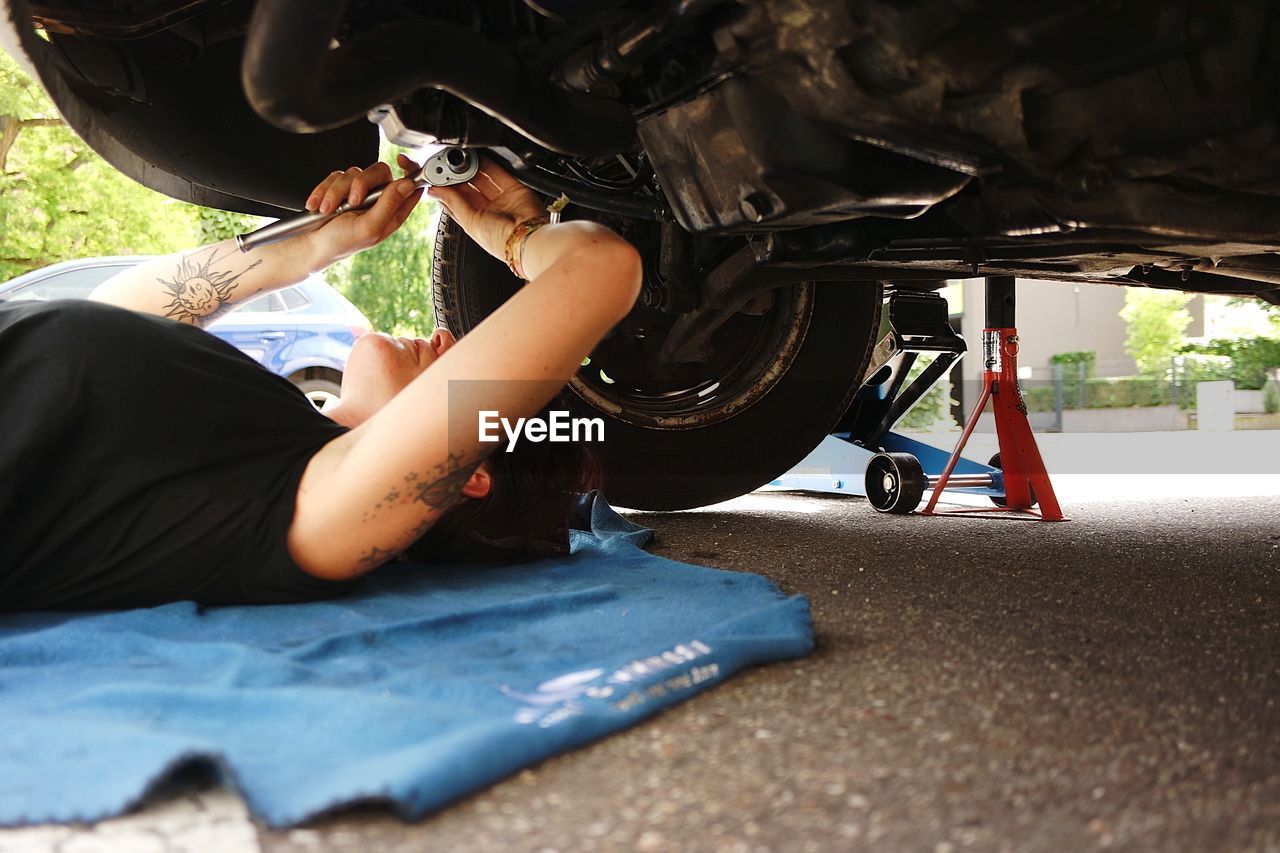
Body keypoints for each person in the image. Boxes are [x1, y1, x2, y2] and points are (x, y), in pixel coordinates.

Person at [0, 155, 642, 612]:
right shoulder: (269, 429)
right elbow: (116, 311)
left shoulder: (315, 517)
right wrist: (319, 245)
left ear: (464, 468)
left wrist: (513, 231)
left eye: (466, 361)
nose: (447, 338)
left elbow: (600, 268)